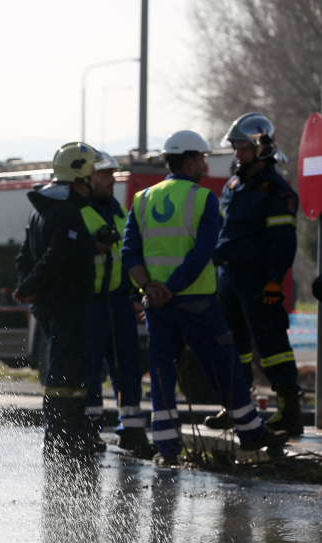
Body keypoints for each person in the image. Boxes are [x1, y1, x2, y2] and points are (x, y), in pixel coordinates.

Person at [120, 130, 288, 466]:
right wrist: (173, 287)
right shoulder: (203, 198)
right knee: (223, 365)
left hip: (158, 306)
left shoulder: (142, 199)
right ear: (192, 160)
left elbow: (129, 253)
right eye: (203, 160)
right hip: (196, 300)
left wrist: (150, 290)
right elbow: (203, 252)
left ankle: (167, 450)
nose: (205, 167)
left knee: (162, 372)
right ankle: (252, 434)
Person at [206, 113, 303, 436]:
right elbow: (225, 232)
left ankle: (288, 411)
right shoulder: (234, 184)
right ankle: (238, 408)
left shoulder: (277, 191)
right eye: (235, 147)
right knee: (234, 343)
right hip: (229, 276)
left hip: (260, 278)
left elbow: (284, 241)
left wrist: (275, 279)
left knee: (272, 343)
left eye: (243, 147)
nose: (238, 153)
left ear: (262, 148)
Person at [13, 142, 102, 458]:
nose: (96, 177)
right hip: (66, 304)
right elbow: (57, 256)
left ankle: (73, 433)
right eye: (93, 170)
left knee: (73, 371)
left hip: (55, 304)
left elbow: (26, 254)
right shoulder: (66, 211)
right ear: (80, 173)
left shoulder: (46, 209)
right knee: (64, 371)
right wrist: (29, 286)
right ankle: (61, 437)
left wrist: (27, 285)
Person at [82, 152, 154, 458]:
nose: (112, 180)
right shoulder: (76, 214)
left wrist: (140, 292)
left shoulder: (122, 212)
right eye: (105, 174)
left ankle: (132, 429)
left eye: (113, 173)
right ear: (88, 178)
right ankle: (89, 429)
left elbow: (131, 255)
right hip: (89, 303)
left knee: (128, 366)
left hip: (120, 302)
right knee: (88, 369)